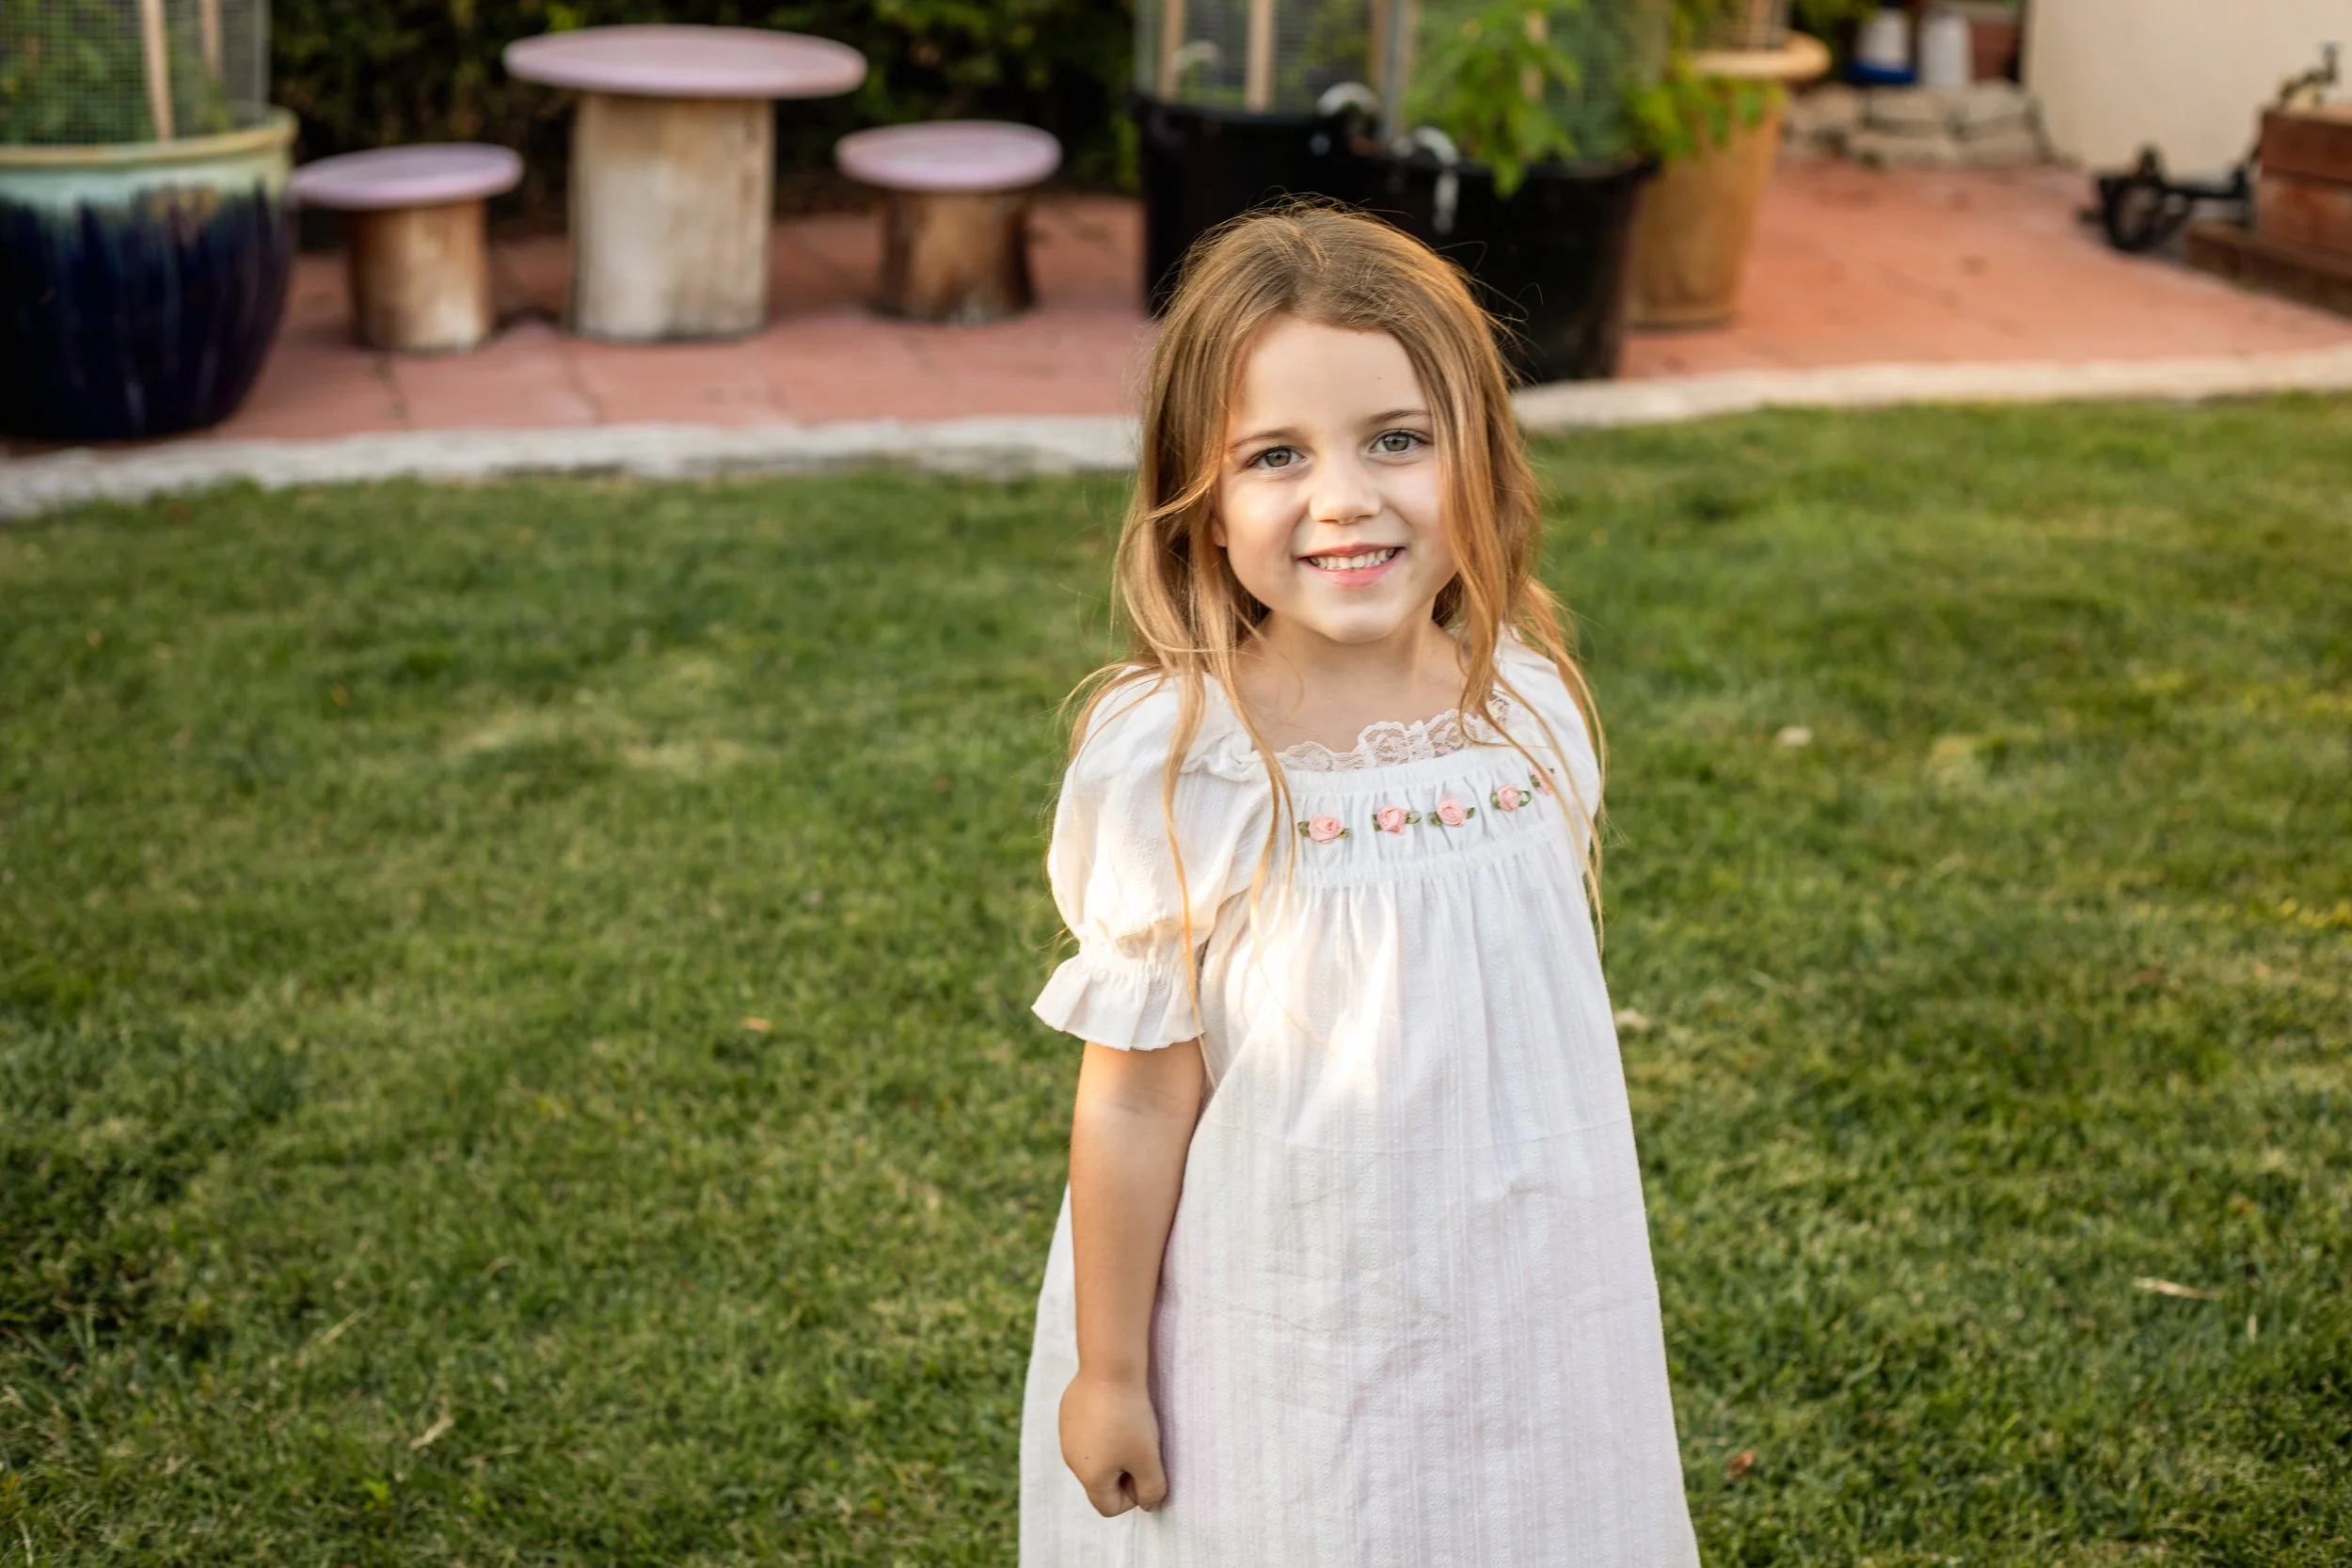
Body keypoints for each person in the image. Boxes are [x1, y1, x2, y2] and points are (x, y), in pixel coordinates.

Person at [1019, 204, 1698, 1566]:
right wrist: (1106, 1367)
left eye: (1398, 438)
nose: (1345, 497)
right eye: (1276, 456)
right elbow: (1141, 1090)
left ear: (1479, 454)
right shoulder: (1184, 763)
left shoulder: (1530, 713)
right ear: (1202, 508)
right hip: (1286, 1320)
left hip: (1530, 1306)